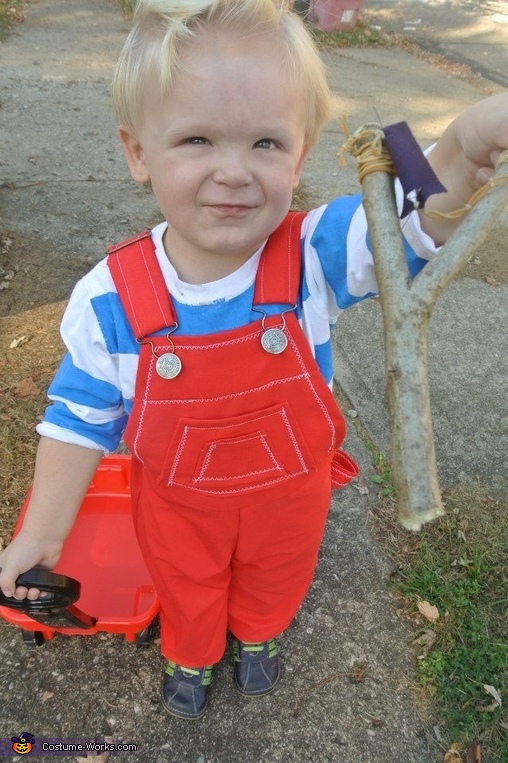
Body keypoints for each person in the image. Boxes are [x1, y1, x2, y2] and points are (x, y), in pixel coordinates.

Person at [0, 0, 507, 721]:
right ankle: (193, 649)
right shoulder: (111, 298)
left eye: (266, 143)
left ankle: (260, 632)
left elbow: (402, 222)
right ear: (138, 151)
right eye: (199, 139)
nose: (234, 172)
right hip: (177, 506)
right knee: (186, 583)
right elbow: (79, 418)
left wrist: (461, 143)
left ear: (300, 155)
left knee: (277, 573)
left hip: (288, 497)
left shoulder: (312, 256)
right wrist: (42, 535)